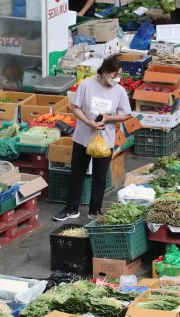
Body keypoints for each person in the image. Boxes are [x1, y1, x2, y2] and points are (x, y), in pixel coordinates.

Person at [54, 57, 132, 221]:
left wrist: (108, 118)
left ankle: (94, 210)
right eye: (115, 74)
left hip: (105, 140)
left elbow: (126, 114)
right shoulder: (86, 85)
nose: (118, 78)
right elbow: (75, 108)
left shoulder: (119, 91)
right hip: (83, 137)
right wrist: (88, 122)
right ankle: (71, 208)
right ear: (105, 72)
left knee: (100, 176)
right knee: (77, 173)